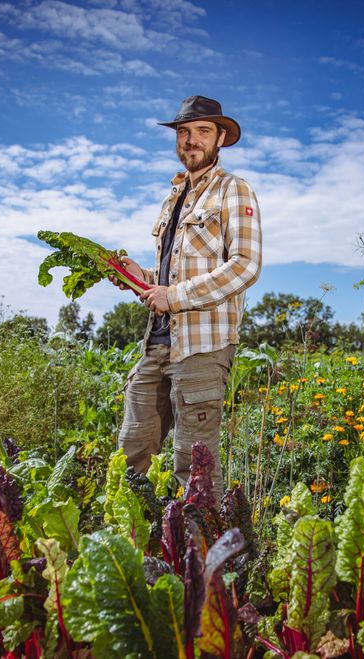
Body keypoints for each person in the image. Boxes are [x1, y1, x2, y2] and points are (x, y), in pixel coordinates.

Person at [115, 95, 262, 505]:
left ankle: (207, 558)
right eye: (184, 132)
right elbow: (166, 279)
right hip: (158, 343)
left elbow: (246, 266)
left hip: (202, 347)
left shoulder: (233, 190)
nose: (191, 140)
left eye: (202, 132)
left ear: (220, 139)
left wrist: (174, 296)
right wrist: (135, 275)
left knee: (193, 466)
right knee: (131, 449)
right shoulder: (175, 197)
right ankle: (136, 546)